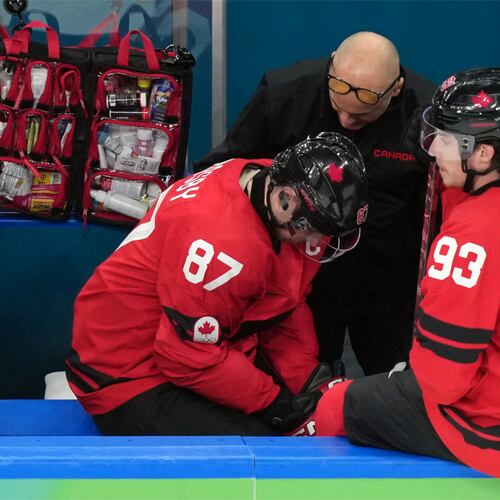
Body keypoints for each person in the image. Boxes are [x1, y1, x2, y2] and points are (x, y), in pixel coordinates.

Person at [66, 132, 369, 436]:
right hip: (123, 370)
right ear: (286, 200)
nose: (318, 241)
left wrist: (307, 377)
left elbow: (282, 301)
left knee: (302, 413)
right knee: (264, 448)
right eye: (313, 230)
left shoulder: (264, 179)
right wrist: (272, 401)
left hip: (182, 335)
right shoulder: (224, 246)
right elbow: (185, 357)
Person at [194, 31, 436, 376]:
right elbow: (223, 173)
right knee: (299, 385)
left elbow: (439, 213)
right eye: (339, 108)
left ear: (396, 88)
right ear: (332, 64)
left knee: (394, 388)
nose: (346, 122)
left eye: (363, 117)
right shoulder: (285, 93)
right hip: (298, 283)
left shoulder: (425, 115)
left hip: (388, 284)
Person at [306, 68, 500, 478]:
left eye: (442, 140)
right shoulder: (480, 212)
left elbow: (441, 383)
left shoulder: (471, 237)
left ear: (483, 154)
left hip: (486, 432)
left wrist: (405, 376)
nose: (431, 152)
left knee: (336, 408)